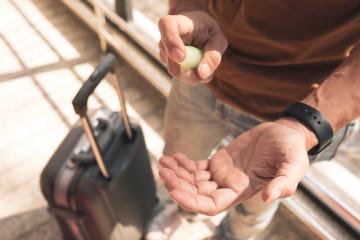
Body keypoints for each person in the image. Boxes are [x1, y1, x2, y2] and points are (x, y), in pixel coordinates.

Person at [146, 1, 360, 239]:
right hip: (204, 77)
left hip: (304, 106)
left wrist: (303, 126)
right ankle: (183, 212)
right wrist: (190, 8)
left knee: (255, 207)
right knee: (181, 168)